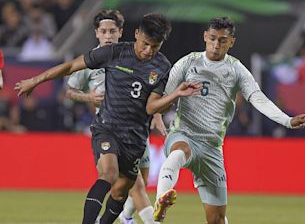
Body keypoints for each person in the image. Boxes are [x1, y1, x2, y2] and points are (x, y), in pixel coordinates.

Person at [15, 12, 201, 224]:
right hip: (107, 128)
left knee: (121, 193)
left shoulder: (162, 67)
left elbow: (151, 107)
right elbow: (69, 67)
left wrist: (176, 94)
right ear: (137, 34)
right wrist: (35, 80)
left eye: (155, 46)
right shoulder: (113, 53)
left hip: (135, 139)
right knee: (108, 174)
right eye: (145, 44)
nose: (148, 51)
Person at [146, 17, 305, 223]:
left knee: (216, 218)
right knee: (180, 151)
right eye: (213, 38)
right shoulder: (188, 62)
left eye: (222, 40)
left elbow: (258, 98)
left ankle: (164, 198)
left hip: (212, 147)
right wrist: (158, 113)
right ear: (205, 36)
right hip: (184, 132)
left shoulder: (236, 70)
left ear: (231, 41)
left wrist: (287, 121)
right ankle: (161, 199)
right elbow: (165, 97)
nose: (216, 45)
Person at [65, 10, 166, 224]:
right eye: (103, 31)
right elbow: (69, 91)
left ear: (121, 32)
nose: (108, 35)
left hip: (137, 129)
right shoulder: (92, 61)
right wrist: (88, 96)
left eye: (112, 31)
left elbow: (148, 90)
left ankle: (126, 216)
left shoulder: (131, 56)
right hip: (108, 128)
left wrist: (156, 113)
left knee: (139, 183)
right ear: (96, 33)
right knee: (133, 184)